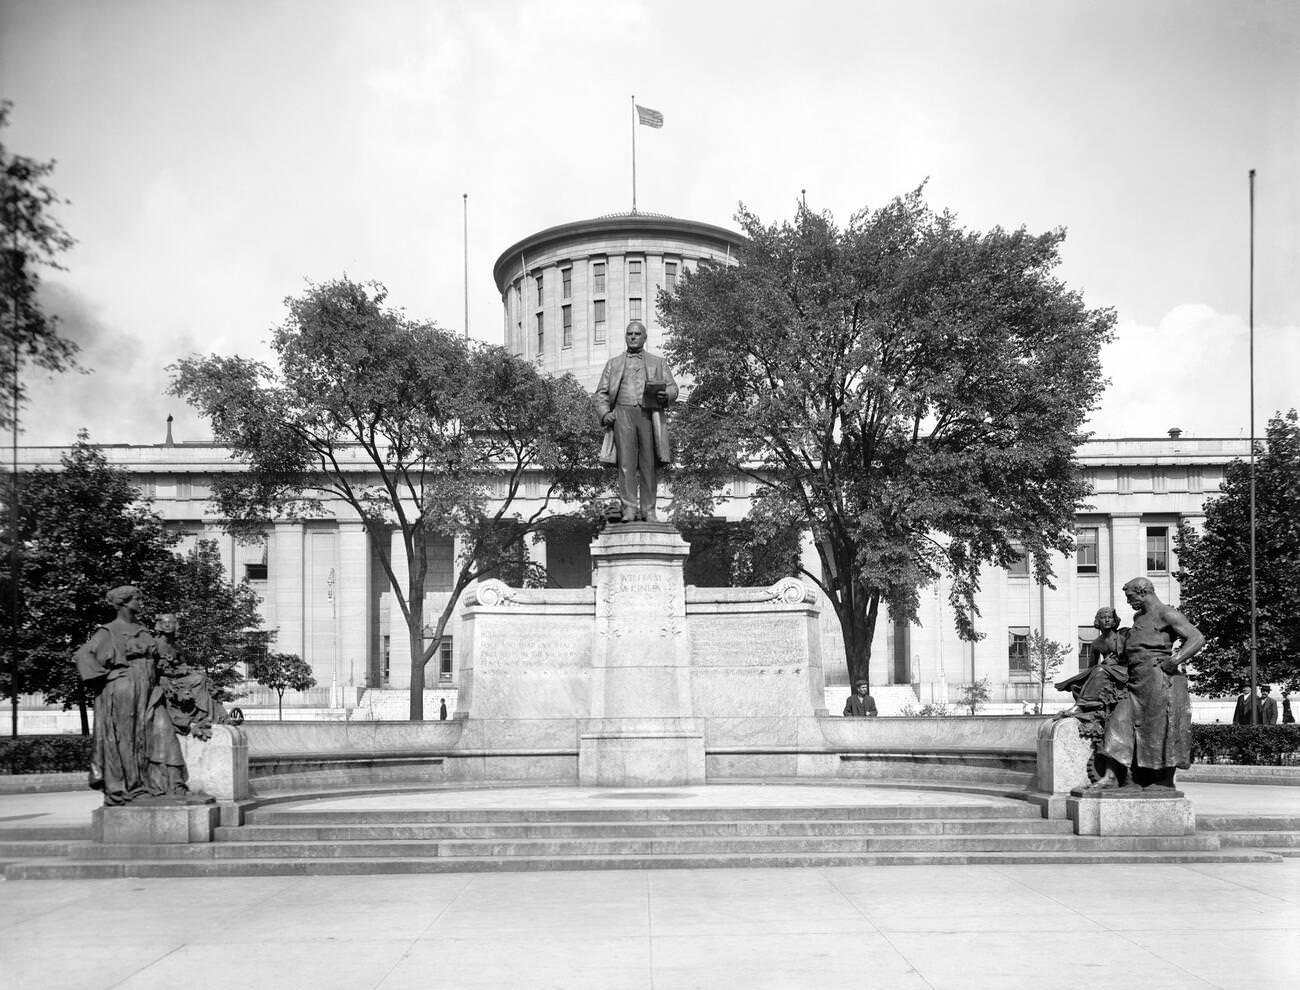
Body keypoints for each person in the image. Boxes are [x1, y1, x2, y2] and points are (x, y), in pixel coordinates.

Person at [1090, 577, 1204, 792]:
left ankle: (1163, 781)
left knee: (1159, 729)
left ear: (1142, 593)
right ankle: (1112, 776)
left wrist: (1175, 660)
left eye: (1130, 597)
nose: (1129, 602)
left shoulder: (1166, 613)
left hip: (1157, 679)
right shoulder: (1138, 617)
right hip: (1134, 679)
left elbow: (1196, 638)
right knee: (1118, 720)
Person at [74, 586, 163, 805]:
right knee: (125, 736)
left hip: (146, 686)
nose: (140, 602)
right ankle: (127, 786)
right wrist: (105, 676)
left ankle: (143, 784)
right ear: (124, 602)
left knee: (143, 734)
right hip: (124, 687)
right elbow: (83, 654)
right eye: (137, 599)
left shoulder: (141, 629)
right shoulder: (109, 630)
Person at [593, 320, 678, 522]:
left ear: (645, 337)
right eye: (629, 333)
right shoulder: (613, 363)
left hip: (648, 415)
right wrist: (605, 414)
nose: (633, 336)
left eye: (637, 334)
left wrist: (665, 395)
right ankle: (629, 508)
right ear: (625, 336)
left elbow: (673, 388)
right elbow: (601, 394)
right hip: (622, 415)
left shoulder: (658, 362)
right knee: (626, 464)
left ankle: (649, 510)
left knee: (648, 465)